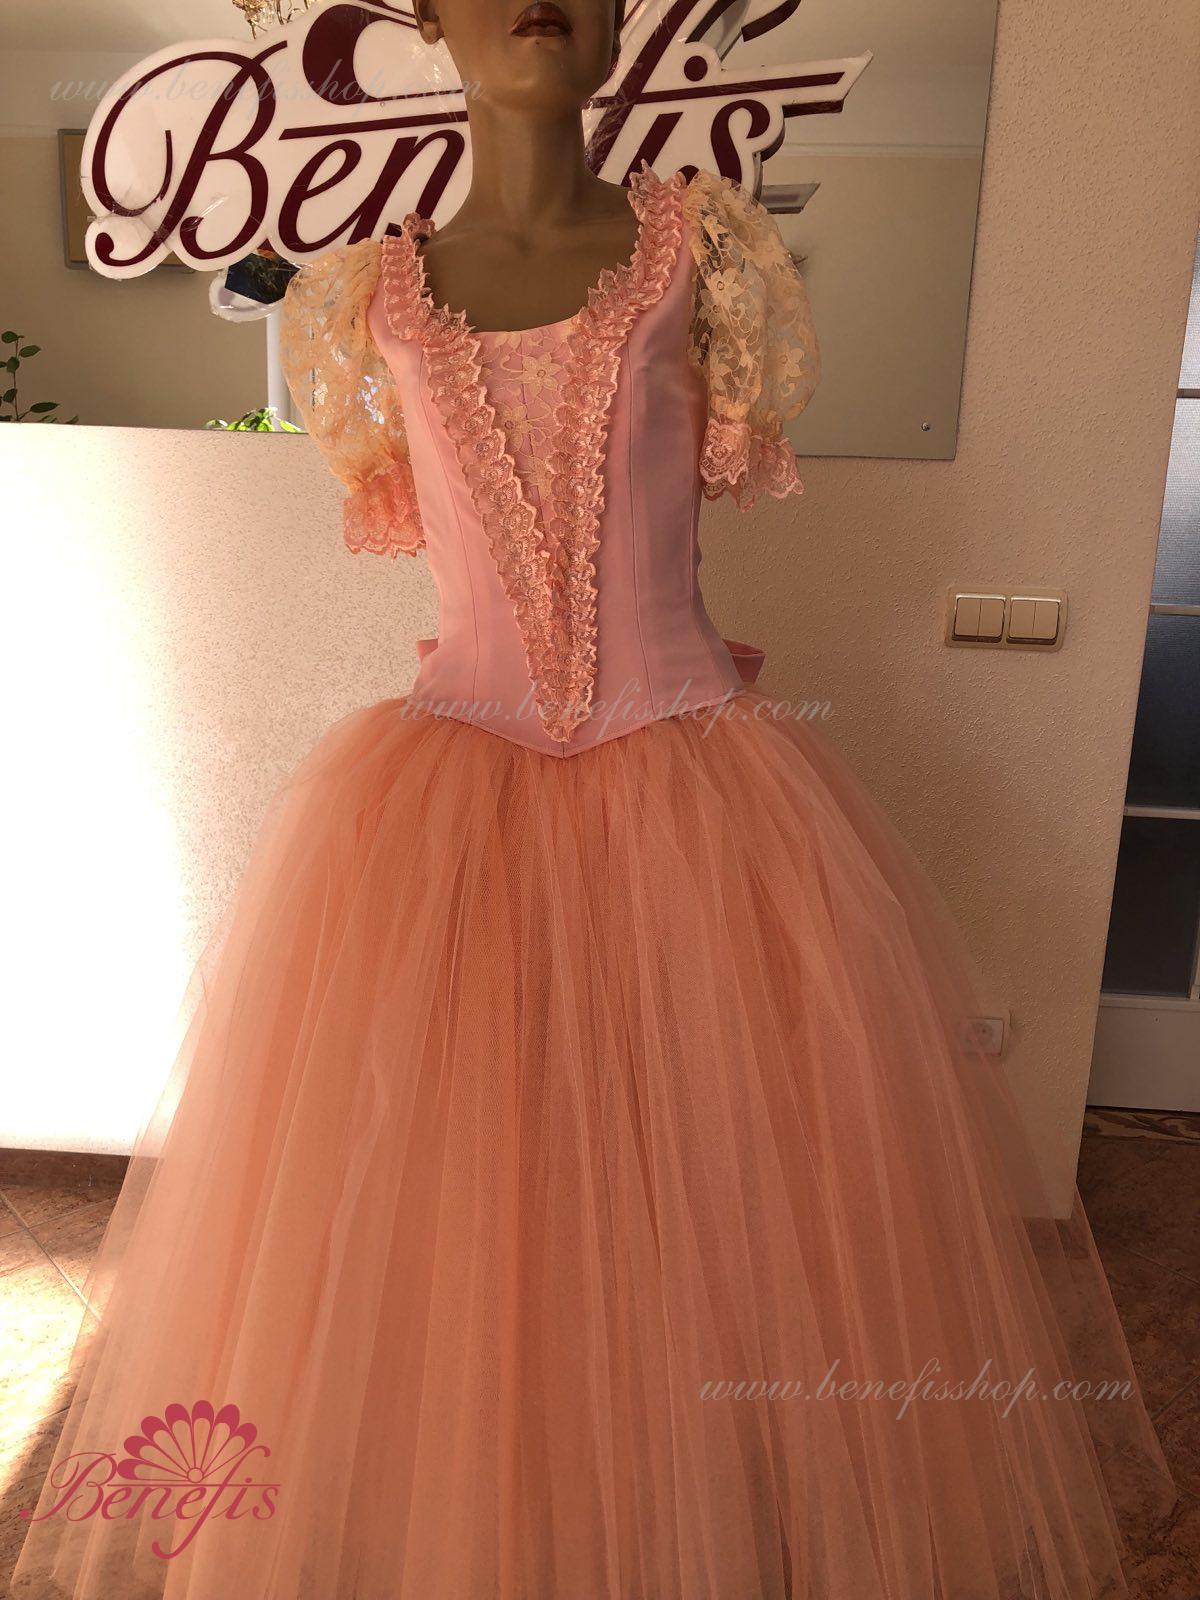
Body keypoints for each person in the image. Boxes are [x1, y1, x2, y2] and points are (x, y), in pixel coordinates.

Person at [12, 0, 1176, 1595]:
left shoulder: (707, 250)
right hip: (447, 797)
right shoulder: (363, 289)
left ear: (630, 15)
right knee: (461, 1194)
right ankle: (486, 1501)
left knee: (714, 1182)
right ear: (428, 18)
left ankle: (685, 1495)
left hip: (694, 784)